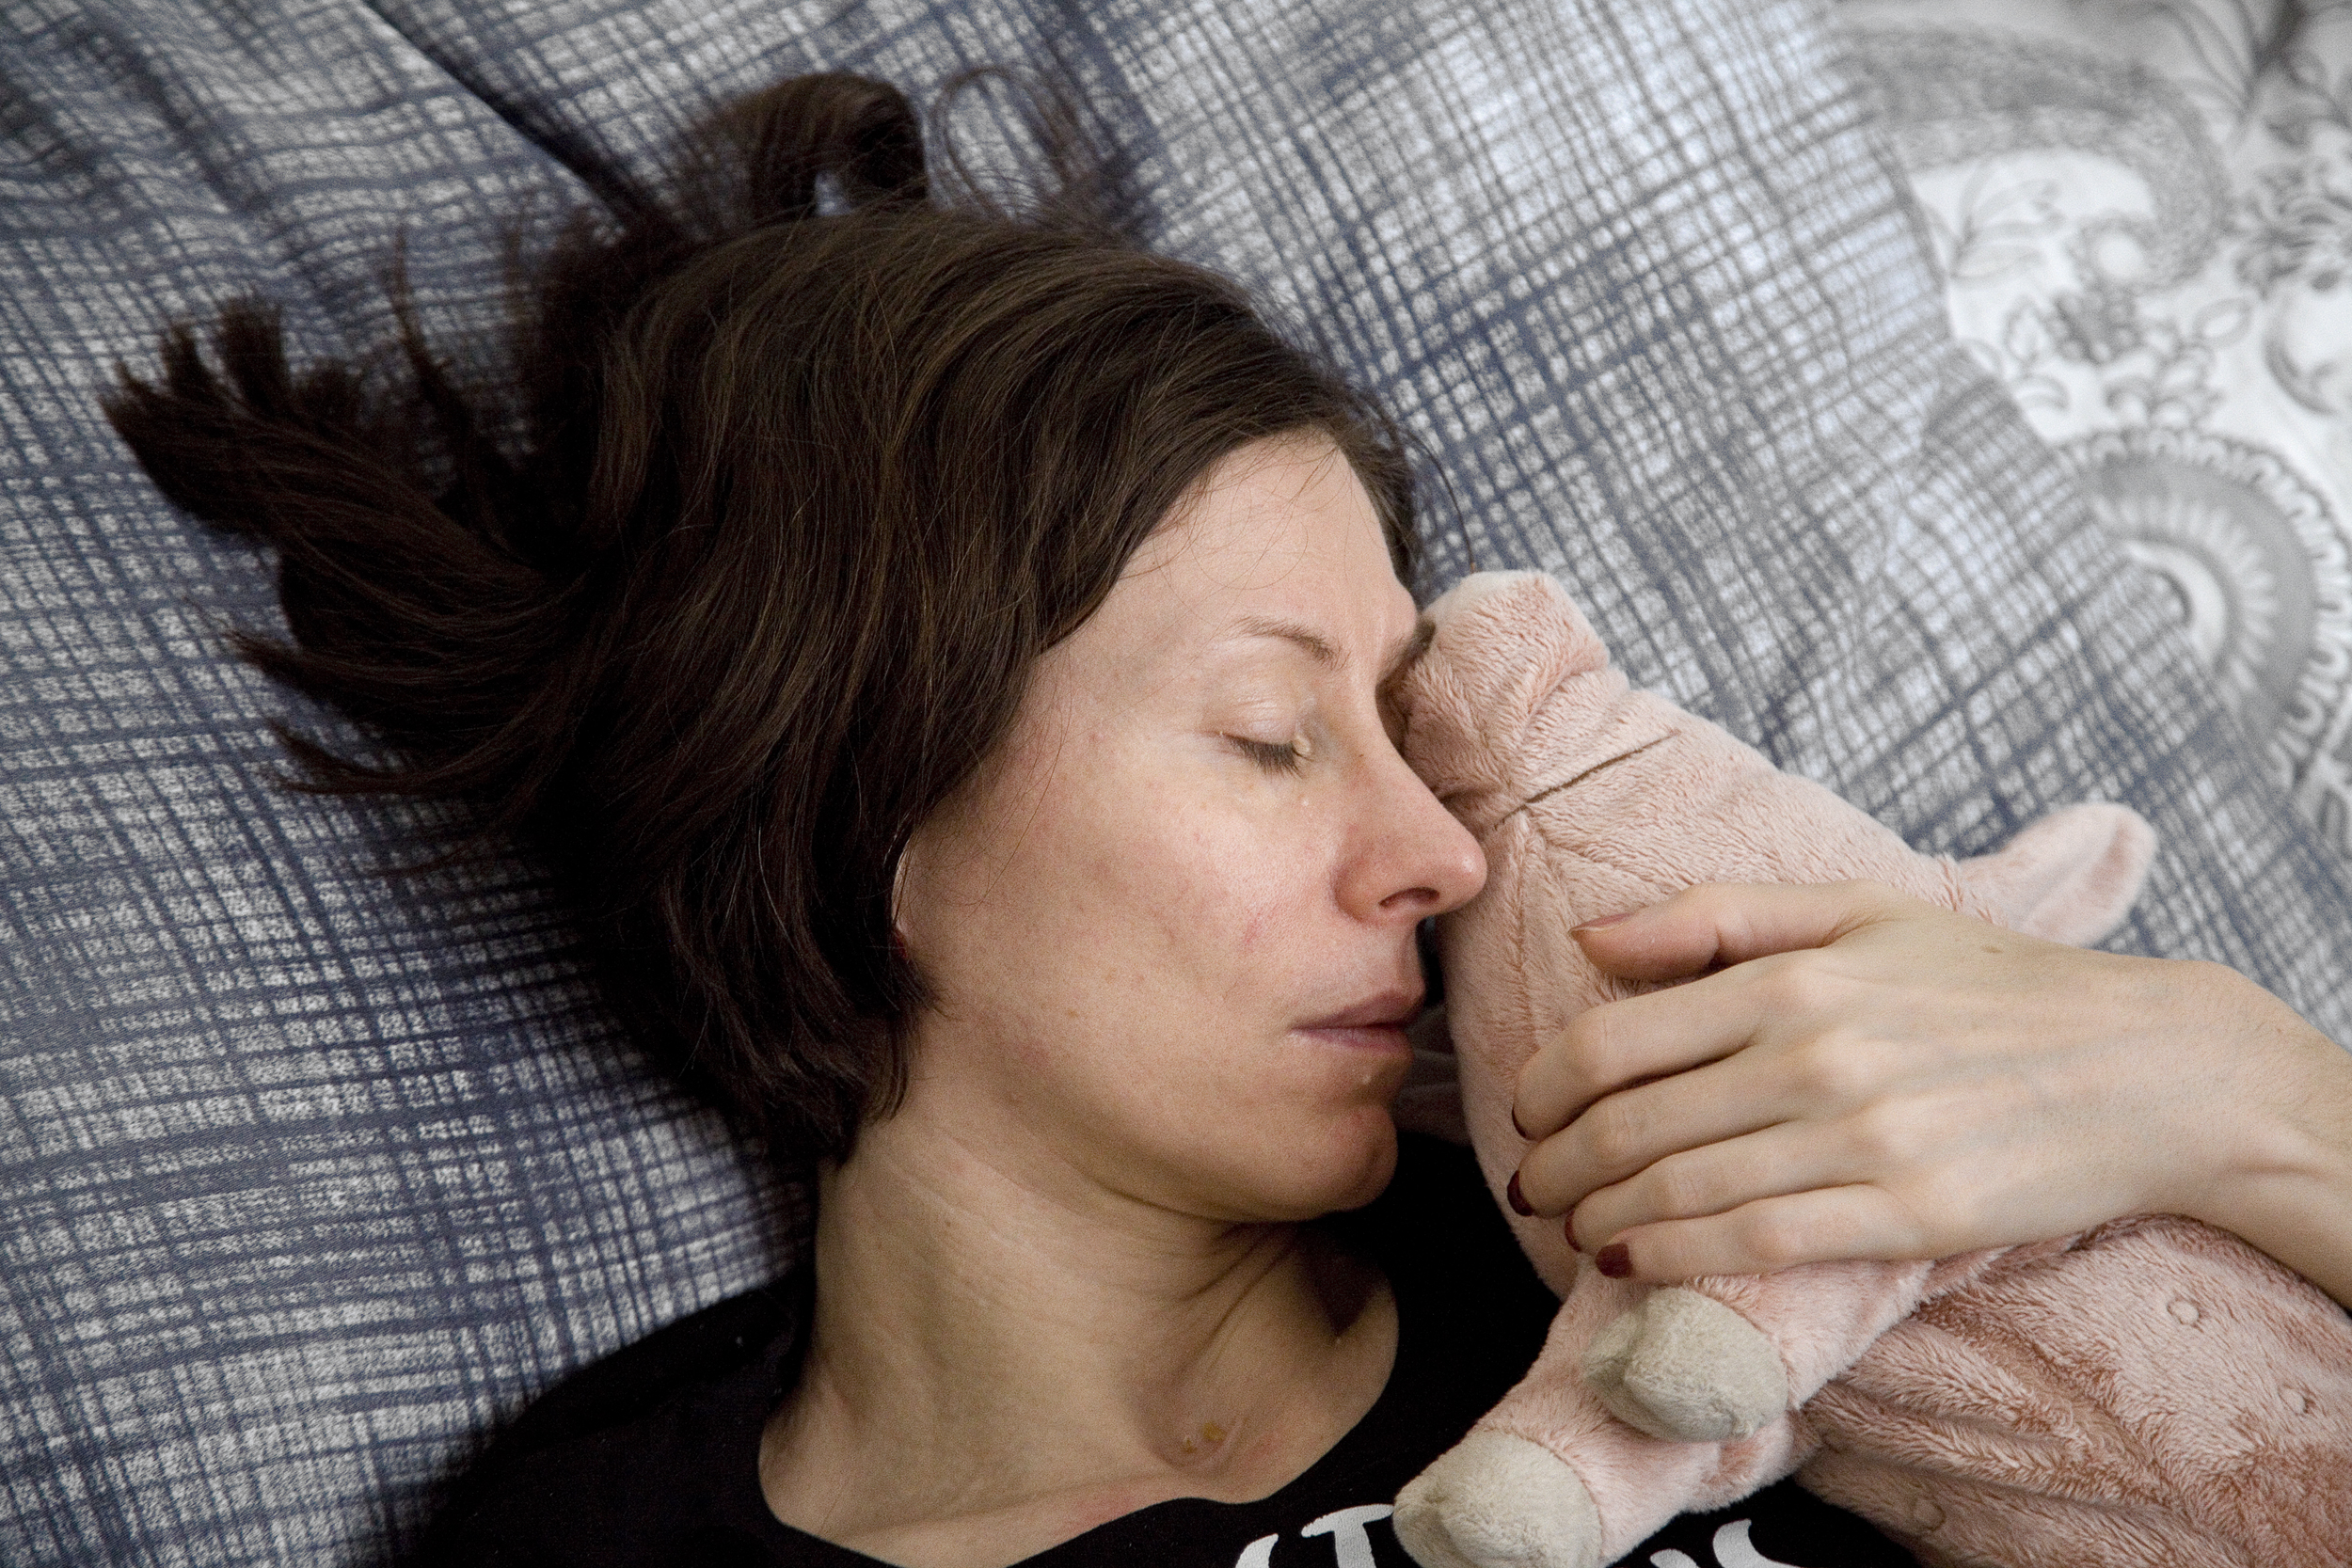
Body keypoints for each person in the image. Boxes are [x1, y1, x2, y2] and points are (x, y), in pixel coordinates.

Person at [104, 71, 2352, 1568]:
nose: (1447, 857)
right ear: (855, 783)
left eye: (1407, 729)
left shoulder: (1631, 1249)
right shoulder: (598, 1549)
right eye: (1275, 739)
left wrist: (2236, 1101)